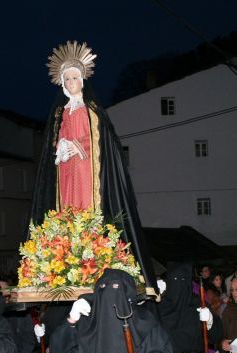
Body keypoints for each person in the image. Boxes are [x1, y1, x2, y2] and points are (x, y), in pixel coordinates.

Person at [30, 41, 157, 297]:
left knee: (85, 206)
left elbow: (100, 139)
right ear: (62, 84)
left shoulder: (92, 111)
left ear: (83, 80)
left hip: (87, 169)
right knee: (67, 205)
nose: (71, 82)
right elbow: (53, 145)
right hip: (67, 171)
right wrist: (61, 145)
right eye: (67, 79)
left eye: (75, 77)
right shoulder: (61, 114)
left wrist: (77, 145)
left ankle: (91, 244)